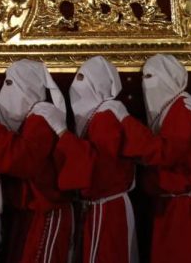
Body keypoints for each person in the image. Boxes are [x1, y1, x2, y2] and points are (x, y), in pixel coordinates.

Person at [0, 59, 72, 263]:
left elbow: (22, 160)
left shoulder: (40, 118)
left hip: (47, 212)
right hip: (32, 213)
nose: (7, 91)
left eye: (12, 83)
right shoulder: (31, 119)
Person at [122, 54, 191, 263]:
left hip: (187, 211)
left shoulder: (182, 108)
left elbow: (169, 153)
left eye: (151, 76)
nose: (146, 83)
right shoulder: (169, 109)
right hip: (172, 206)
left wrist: (126, 123)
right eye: (143, 77)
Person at [55, 56, 140, 263]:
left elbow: (101, 166)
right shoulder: (99, 116)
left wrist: (63, 136)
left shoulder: (105, 117)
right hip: (101, 205)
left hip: (109, 206)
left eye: (85, 80)